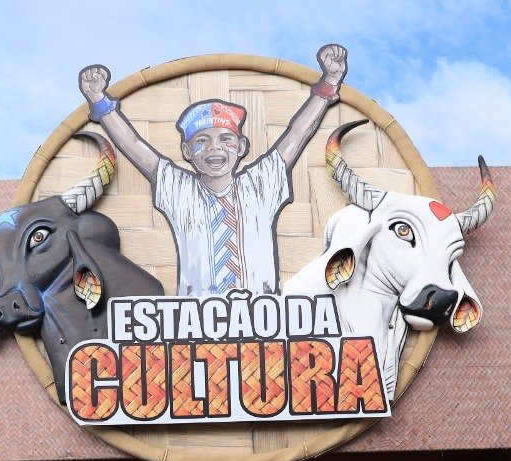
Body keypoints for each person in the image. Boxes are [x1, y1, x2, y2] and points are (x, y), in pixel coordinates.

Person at [78, 45, 348, 297]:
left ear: (241, 146)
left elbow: (298, 133)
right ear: (186, 151)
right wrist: (99, 101)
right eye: (202, 141)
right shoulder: (180, 191)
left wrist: (330, 82)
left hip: (263, 317)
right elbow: (134, 146)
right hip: (196, 321)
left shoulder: (261, 184)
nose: (214, 148)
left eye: (225, 139)